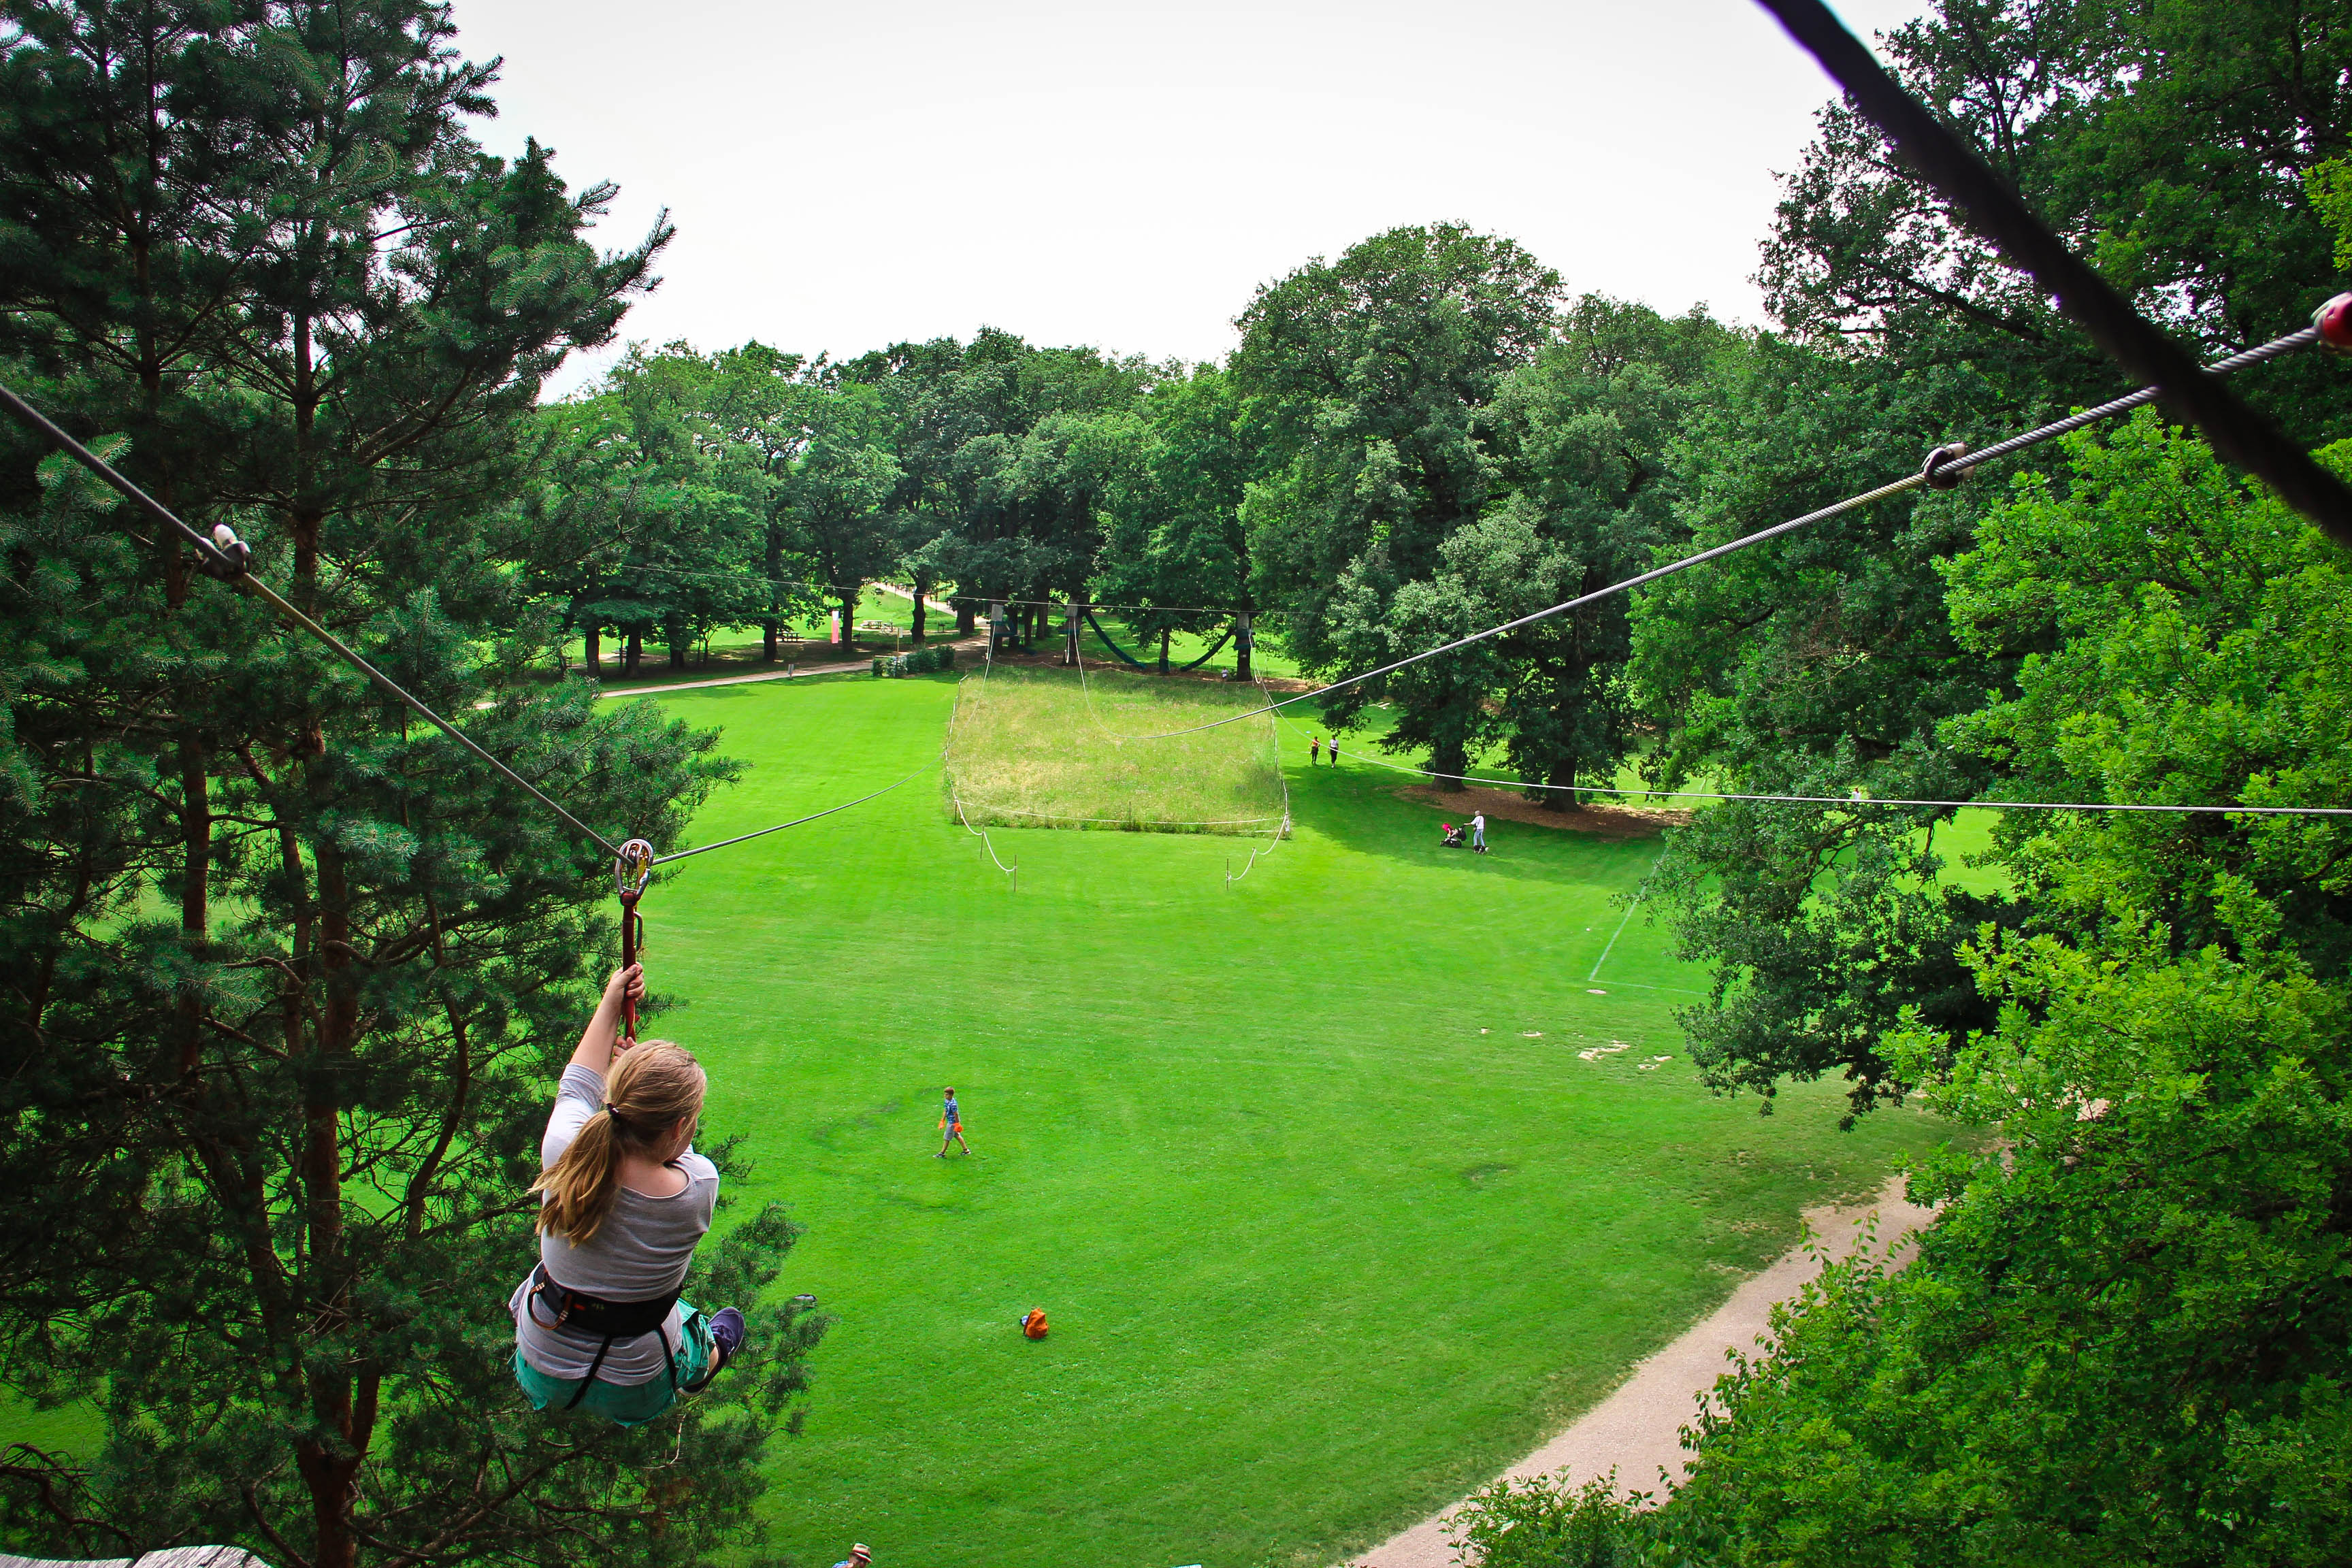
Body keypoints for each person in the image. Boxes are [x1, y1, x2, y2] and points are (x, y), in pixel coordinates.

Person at [509, 963, 746, 1424]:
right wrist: (632, 1091)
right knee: (688, 1328)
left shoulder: (564, 1152)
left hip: (541, 1361)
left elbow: (578, 1087)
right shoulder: (697, 1188)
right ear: (681, 1126)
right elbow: (673, 1154)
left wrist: (612, 1000)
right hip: (636, 1385)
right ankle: (708, 1359)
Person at [936, 1085, 970, 1157]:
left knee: (947, 1138)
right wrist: (942, 1120)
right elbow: (945, 1110)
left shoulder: (953, 1104)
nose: (945, 1096)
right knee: (957, 1135)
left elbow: (956, 1114)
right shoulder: (947, 1101)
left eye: (947, 1095)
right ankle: (966, 1151)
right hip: (950, 1121)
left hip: (953, 1123)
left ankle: (942, 1153)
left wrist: (957, 1124)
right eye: (945, 1094)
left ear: (951, 1095)